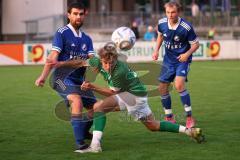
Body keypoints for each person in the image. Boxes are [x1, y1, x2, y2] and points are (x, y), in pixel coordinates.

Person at [67, 43, 204, 153]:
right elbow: (87, 62)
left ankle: (95, 145)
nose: (107, 66)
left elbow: (113, 93)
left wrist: (92, 87)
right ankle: (189, 131)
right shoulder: (99, 61)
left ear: (115, 60)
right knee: (153, 126)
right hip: (138, 95)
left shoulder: (119, 71)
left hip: (133, 97)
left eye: (110, 63)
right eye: (105, 63)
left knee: (98, 108)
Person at [35, 2, 96, 151]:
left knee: (95, 109)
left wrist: (87, 80)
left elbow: (92, 63)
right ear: (68, 15)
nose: (78, 17)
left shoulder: (87, 39)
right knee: (76, 100)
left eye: (81, 14)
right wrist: (42, 76)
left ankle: (83, 131)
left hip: (79, 80)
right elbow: (53, 57)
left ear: (84, 15)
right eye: (75, 14)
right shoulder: (62, 33)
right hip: (61, 79)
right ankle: (80, 144)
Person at [152, 1, 200, 128]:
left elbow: (196, 44)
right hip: (168, 60)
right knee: (162, 88)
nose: (170, 15)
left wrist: (187, 54)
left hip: (182, 60)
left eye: (173, 12)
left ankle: (189, 117)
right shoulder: (162, 23)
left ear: (178, 12)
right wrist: (156, 50)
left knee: (179, 85)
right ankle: (169, 117)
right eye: (168, 12)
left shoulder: (186, 27)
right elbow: (160, 36)